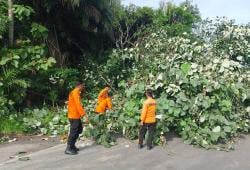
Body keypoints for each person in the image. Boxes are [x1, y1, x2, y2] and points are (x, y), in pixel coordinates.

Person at [65, 81, 88, 155]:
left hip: (76, 115)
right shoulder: (75, 92)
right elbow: (78, 105)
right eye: (83, 86)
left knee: (79, 130)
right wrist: (84, 115)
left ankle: (72, 146)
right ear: (80, 85)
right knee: (73, 132)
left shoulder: (76, 92)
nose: (83, 87)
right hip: (73, 116)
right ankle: (68, 148)